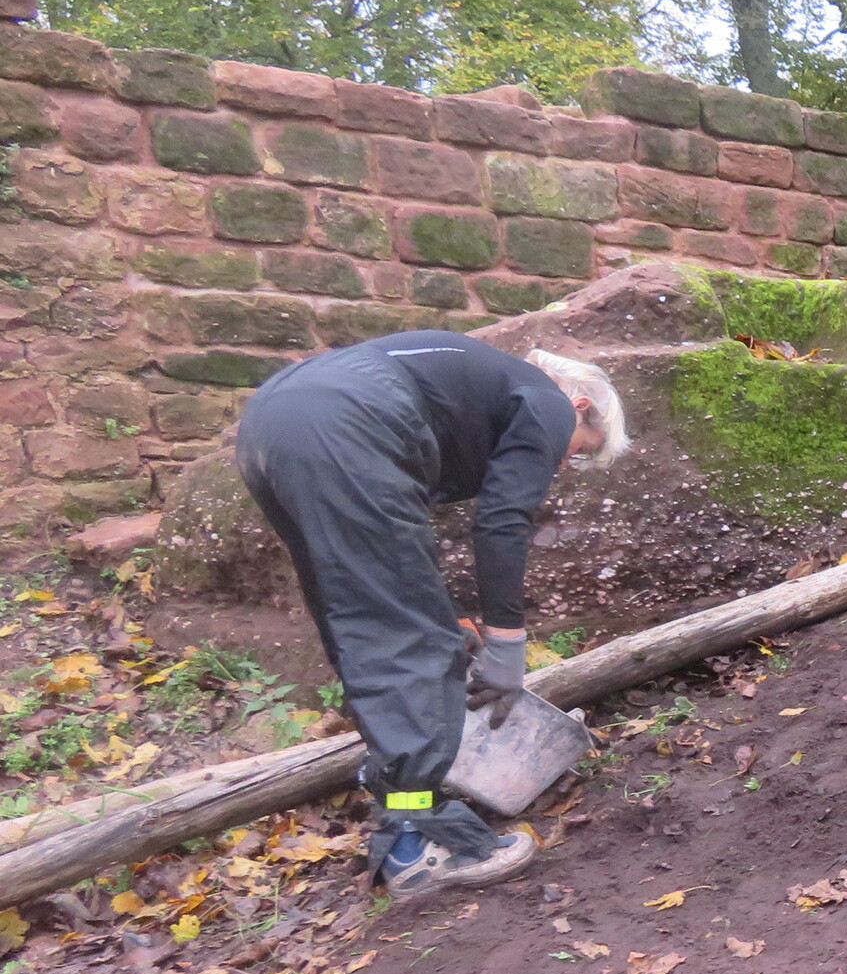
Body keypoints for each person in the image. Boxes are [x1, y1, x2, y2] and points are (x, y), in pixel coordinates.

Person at [232, 331, 629, 896]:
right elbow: (502, 521)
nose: (563, 464)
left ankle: (401, 793)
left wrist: (446, 617)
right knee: (409, 643)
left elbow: (389, 565)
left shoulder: (481, 387)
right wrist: (507, 646)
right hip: (350, 418)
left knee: (358, 615)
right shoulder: (547, 400)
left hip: (273, 419)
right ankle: (413, 840)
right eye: (581, 450)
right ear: (580, 407)